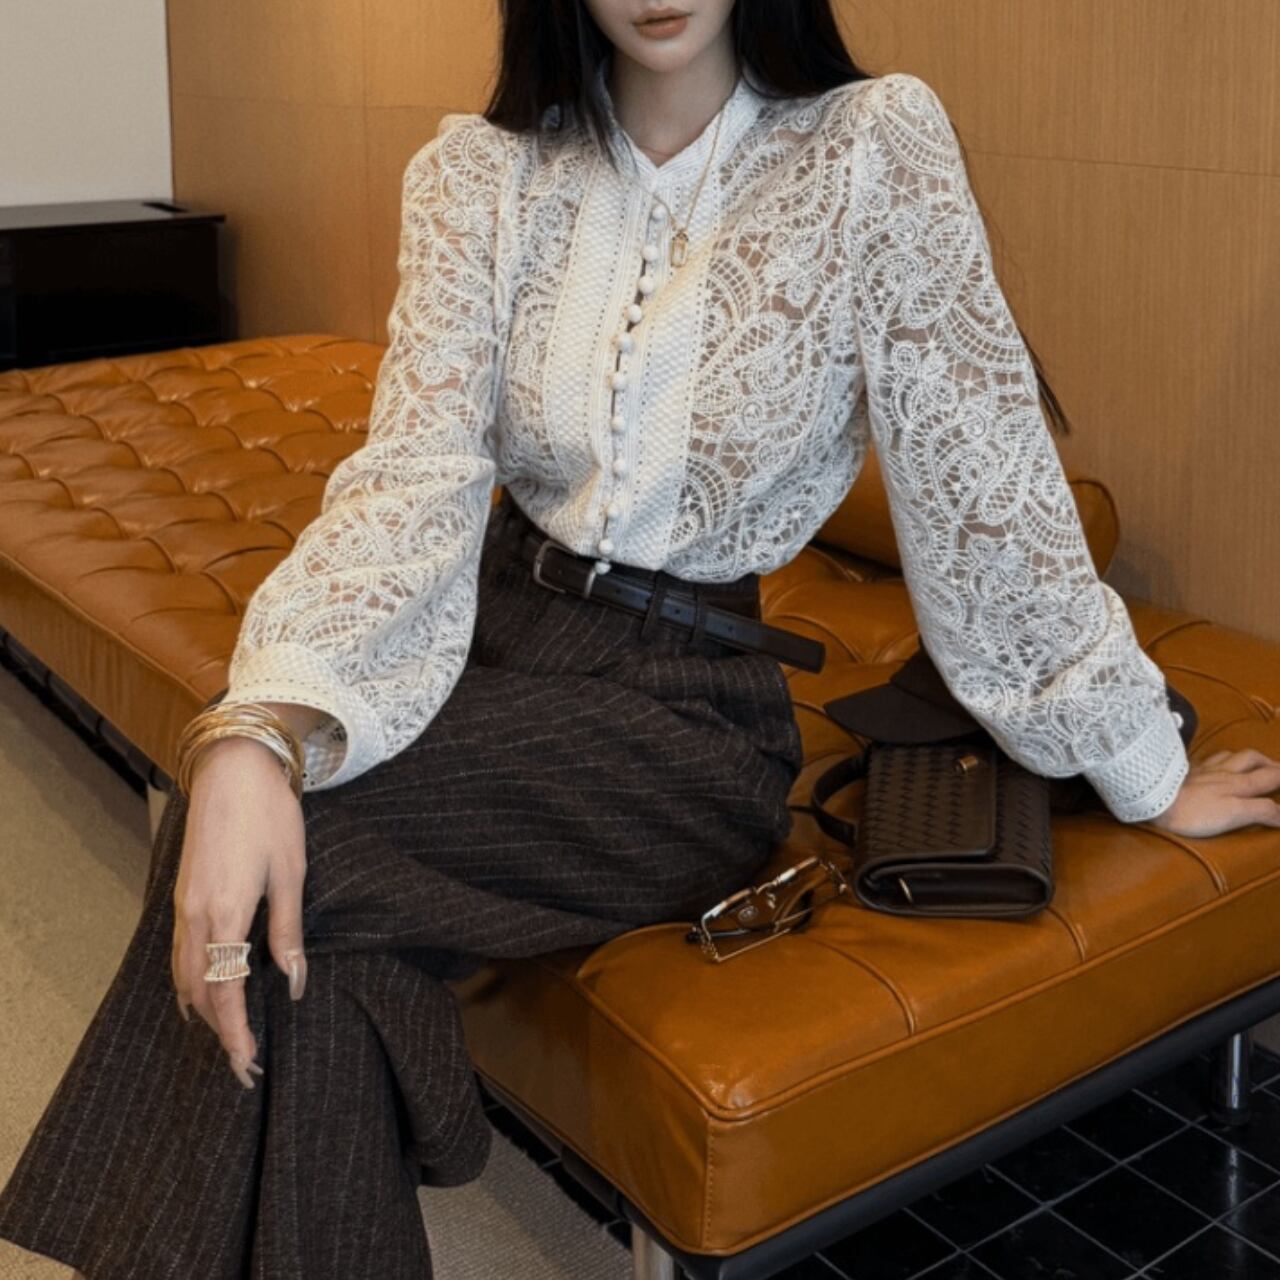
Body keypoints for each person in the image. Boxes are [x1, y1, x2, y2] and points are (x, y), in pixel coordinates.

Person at [5, 1, 1280, 1276]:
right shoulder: (482, 173)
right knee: (288, 886)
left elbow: (982, 476)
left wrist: (1139, 764)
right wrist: (261, 722)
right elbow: (408, 479)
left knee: (288, 838)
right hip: (487, 639)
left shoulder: (865, 147)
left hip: (684, 702)